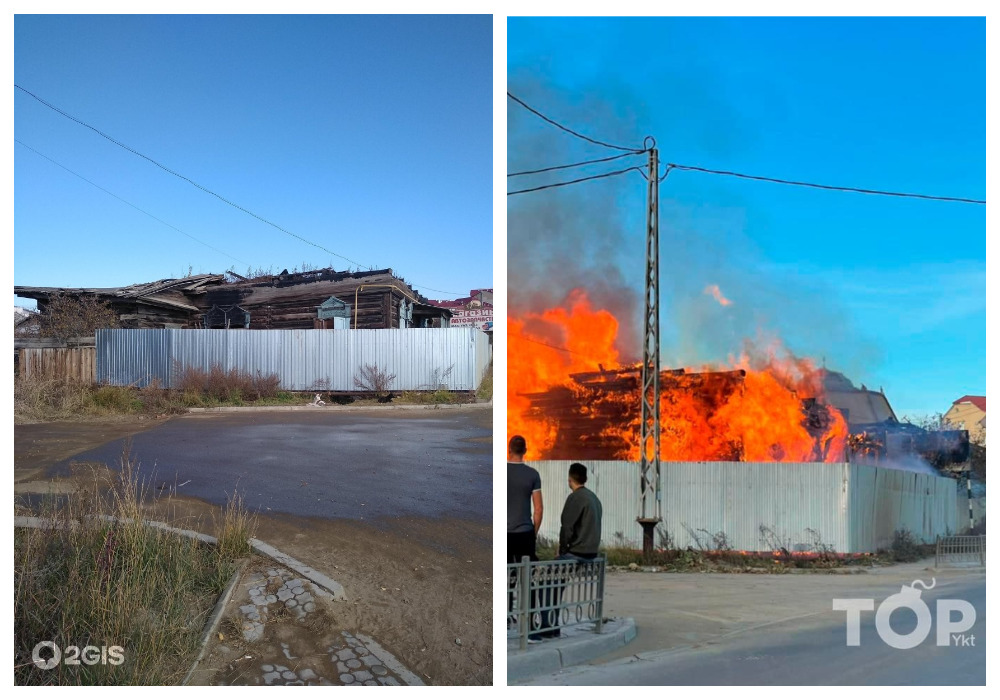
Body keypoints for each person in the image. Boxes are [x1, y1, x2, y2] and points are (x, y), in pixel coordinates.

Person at [543, 462, 603, 638]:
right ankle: (552, 626)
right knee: (557, 584)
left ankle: (548, 628)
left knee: (544, 582)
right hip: (591, 552)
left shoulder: (575, 498)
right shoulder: (594, 498)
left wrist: (562, 551)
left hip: (576, 553)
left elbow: (567, 527)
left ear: (570, 479)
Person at [506, 434, 544, 637]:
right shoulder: (532, 475)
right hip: (524, 533)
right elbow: (538, 509)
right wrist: (533, 533)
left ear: (509, 449)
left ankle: (506, 615)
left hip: (505, 534)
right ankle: (529, 622)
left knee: (506, 576)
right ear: (525, 451)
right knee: (527, 578)